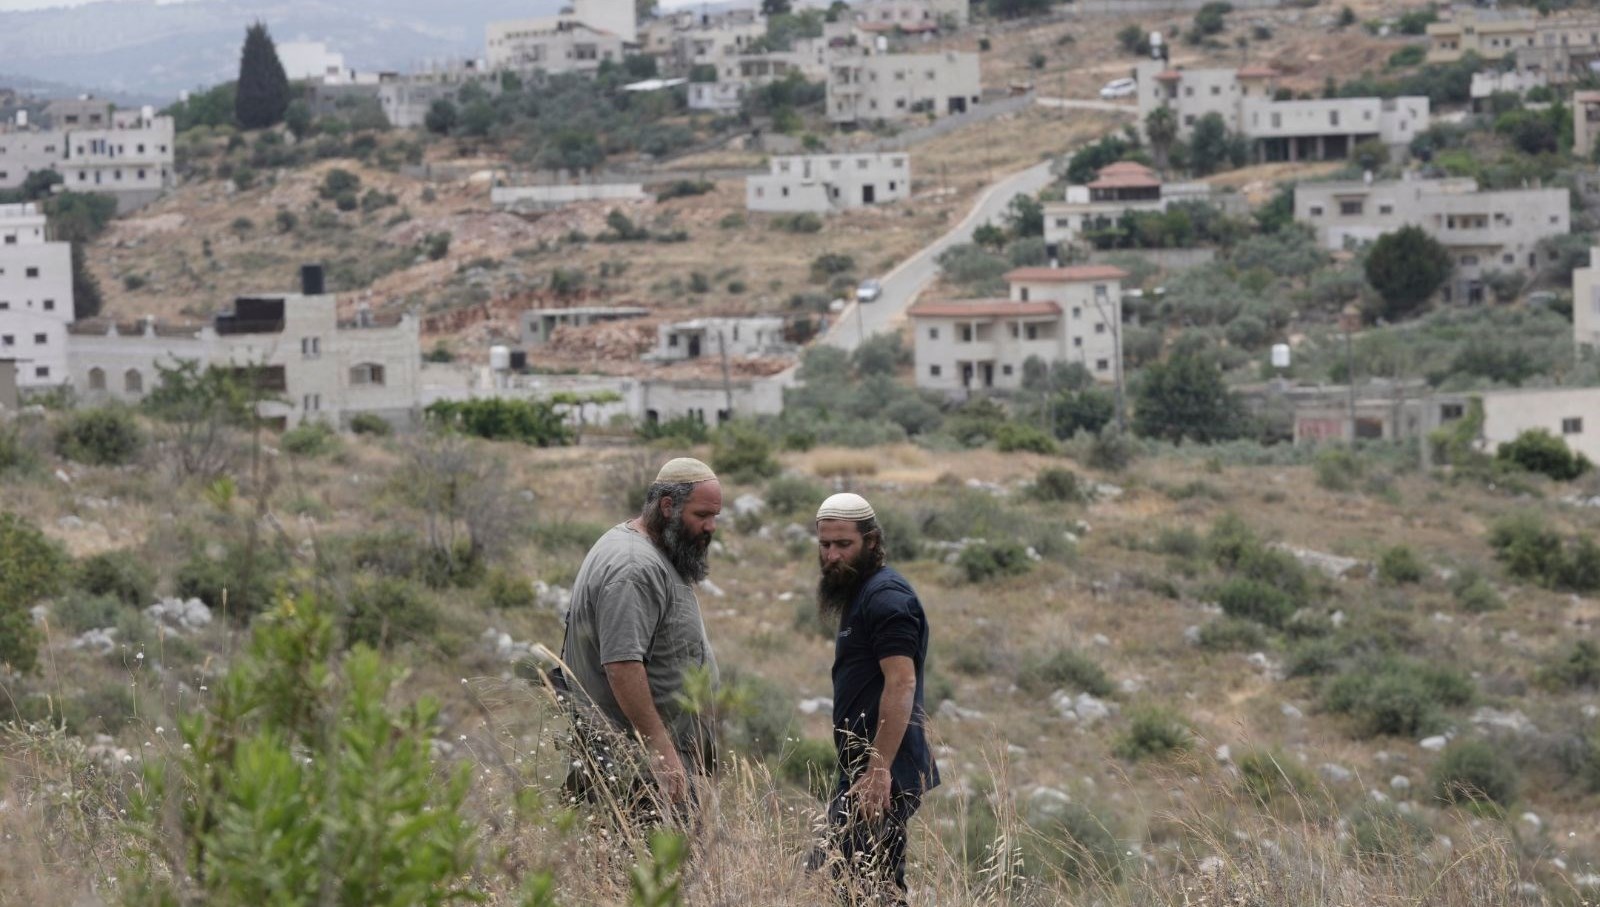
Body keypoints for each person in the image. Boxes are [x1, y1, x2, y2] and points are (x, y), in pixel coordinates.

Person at [559, 457, 722, 816]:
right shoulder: (634, 567)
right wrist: (660, 749)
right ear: (668, 507)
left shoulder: (648, 552)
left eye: (715, 517)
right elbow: (622, 664)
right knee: (643, 868)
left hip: (645, 763)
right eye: (701, 516)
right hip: (637, 770)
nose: (710, 527)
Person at [808, 492, 939, 905]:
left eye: (843, 544)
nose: (832, 556)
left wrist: (879, 769)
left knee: (868, 887)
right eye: (825, 545)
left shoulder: (885, 597)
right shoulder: (861, 591)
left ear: (872, 541)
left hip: (882, 772)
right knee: (847, 881)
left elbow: (902, 682)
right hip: (864, 770)